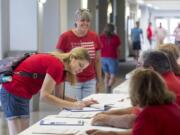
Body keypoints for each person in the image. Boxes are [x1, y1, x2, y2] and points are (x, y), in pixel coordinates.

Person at [0, 47, 98, 135]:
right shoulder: (57, 65)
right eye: (80, 65)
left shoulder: (63, 70)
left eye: (83, 69)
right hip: (12, 91)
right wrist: (74, 105)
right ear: (73, 58)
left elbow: (60, 96)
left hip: (21, 94)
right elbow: (44, 96)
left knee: (23, 132)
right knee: (19, 133)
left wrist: (81, 102)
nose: (80, 70)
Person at [87, 50, 180, 135]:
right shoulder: (162, 86)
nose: (136, 68)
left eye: (139, 64)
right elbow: (139, 114)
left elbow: (133, 121)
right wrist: (109, 116)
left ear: (150, 69)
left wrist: (107, 120)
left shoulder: (163, 86)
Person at [56, 8, 102, 100]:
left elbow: (97, 61)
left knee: (89, 109)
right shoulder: (65, 37)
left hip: (90, 80)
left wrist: (99, 80)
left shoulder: (94, 36)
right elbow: (59, 61)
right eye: (82, 20)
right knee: (73, 108)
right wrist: (59, 81)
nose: (85, 23)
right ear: (76, 20)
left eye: (88, 21)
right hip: (72, 80)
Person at [100, 23, 121, 93]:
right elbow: (118, 49)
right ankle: (108, 87)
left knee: (106, 75)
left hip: (103, 58)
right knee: (113, 77)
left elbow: (99, 48)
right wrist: (118, 57)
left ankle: (107, 90)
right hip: (112, 58)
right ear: (113, 29)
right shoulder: (116, 37)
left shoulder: (101, 37)